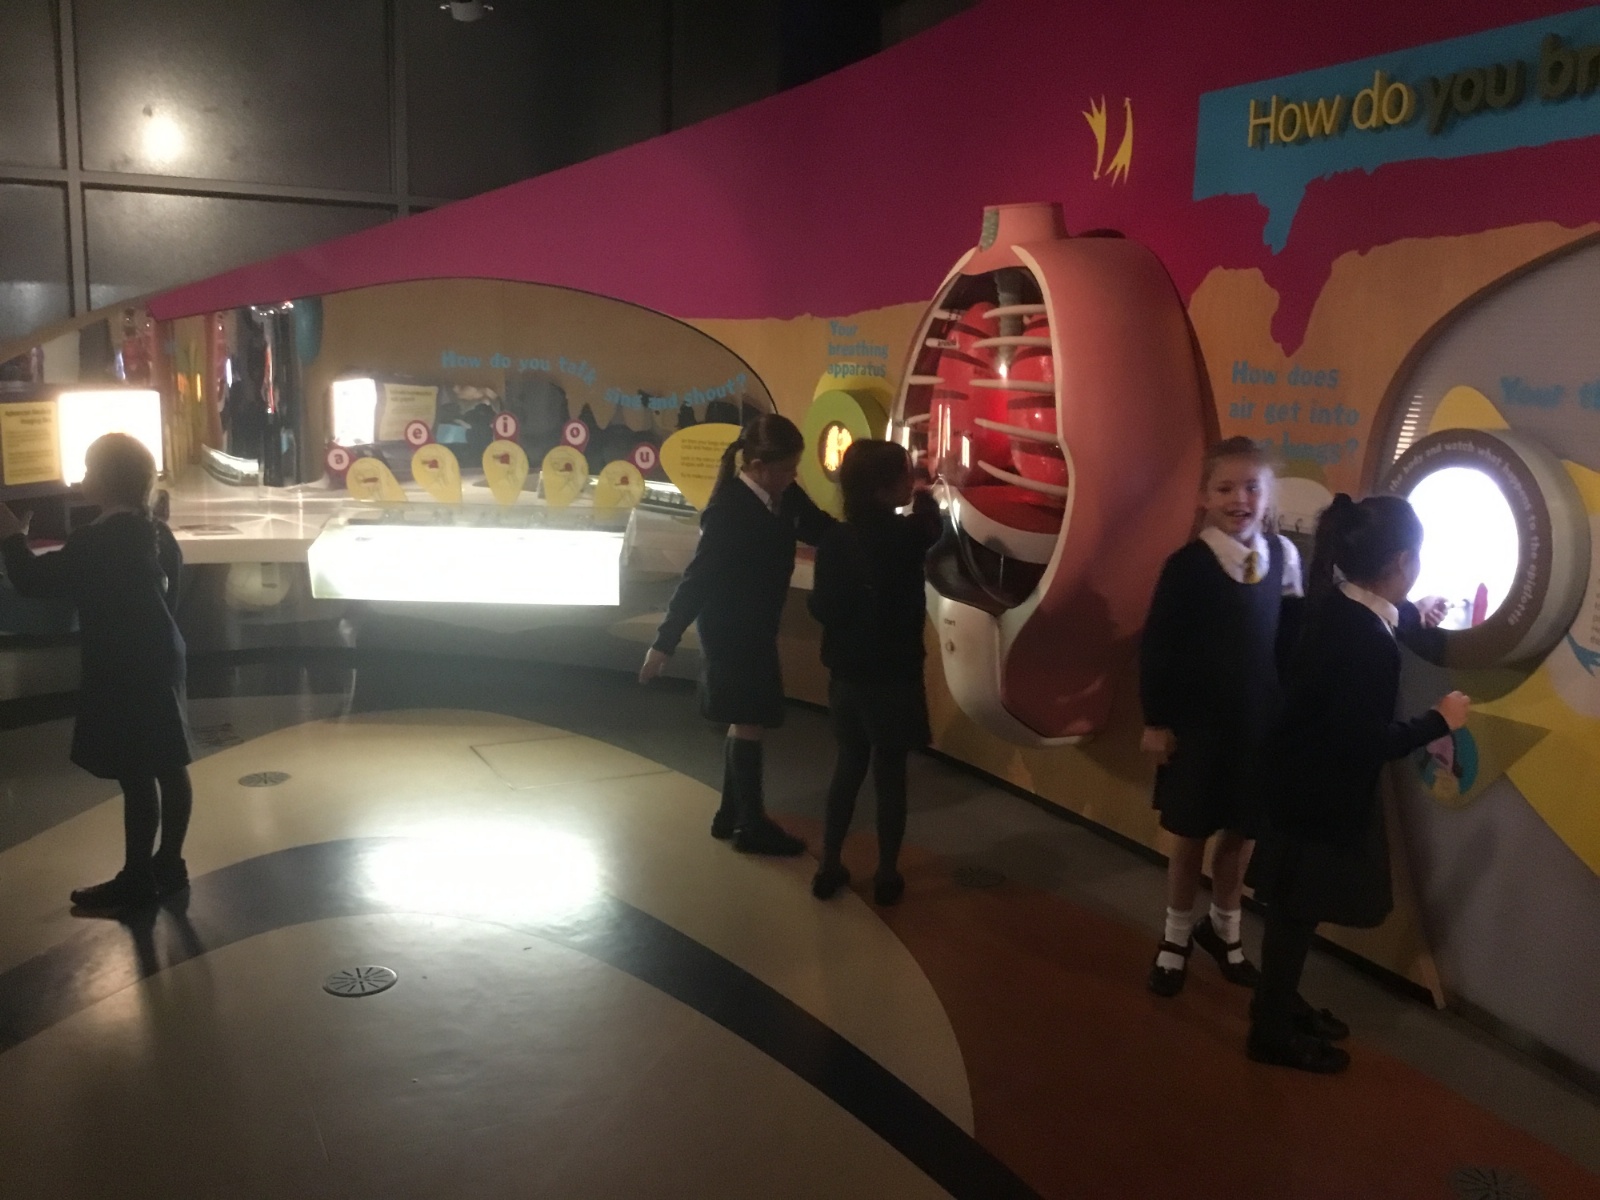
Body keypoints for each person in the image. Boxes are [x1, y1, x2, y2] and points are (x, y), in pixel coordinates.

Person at [1247, 494, 1468, 1073]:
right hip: (1320, 796)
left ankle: (1277, 1003)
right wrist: (1439, 720)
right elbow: (1368, 740)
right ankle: (1270, 1031)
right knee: (1297, 912)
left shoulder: (1335, 606)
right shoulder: (1367, 641)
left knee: (1292, 911)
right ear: (1402, 562)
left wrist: (1412, 613)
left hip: (1294, 785)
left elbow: (1357, 649)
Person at [1139, 437, 1304, 997]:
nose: (1240, 499)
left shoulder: (1283, 557)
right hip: (1199, 728)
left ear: (1268, 494)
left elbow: (1290, 643)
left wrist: (1290, 714)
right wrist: (1156, 720)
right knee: (1190, 835)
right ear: (1204, 497)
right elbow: (1158, 647)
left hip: (1258, 727)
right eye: (1226, 488)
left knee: (1241, 834)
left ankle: (1226, 933)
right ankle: (1174, 939)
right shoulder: (1187, 566)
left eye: (1252, 487)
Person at [0, 433, 193, 911]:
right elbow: (170, 596)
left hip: (122, 663)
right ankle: (169, 865)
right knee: (169, 763)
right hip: (163, 655)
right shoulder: (157, 532)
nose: (83, 477)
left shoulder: (94, 541)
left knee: (135, 772)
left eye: (88, 469)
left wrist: (11, 536)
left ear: (104, 481)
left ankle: (136, 880)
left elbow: (32, 581)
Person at [639, 414, 834, 855]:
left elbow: (821, 528)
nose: (793, 476)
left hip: (757, 625)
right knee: (750, 718)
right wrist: (664, 642)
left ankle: (731, 814)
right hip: (730, 628)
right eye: (787, 468)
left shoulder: (782, 496)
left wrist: (867, 537)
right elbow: (698, 579)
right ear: (759, 467)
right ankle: (751, 825)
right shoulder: (729, 509)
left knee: (746, 718)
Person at [808, 440, 941, 905]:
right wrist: (926, 490)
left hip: (847, 676)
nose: (910, 480)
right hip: (894, 676)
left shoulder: (835, 541)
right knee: (890, 775)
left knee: (848, 766)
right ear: (883, 489)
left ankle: (829, 863)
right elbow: (931, 524)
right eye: (904, 474)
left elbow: (822, 607)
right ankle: (886, 873)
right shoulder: (907, 537)